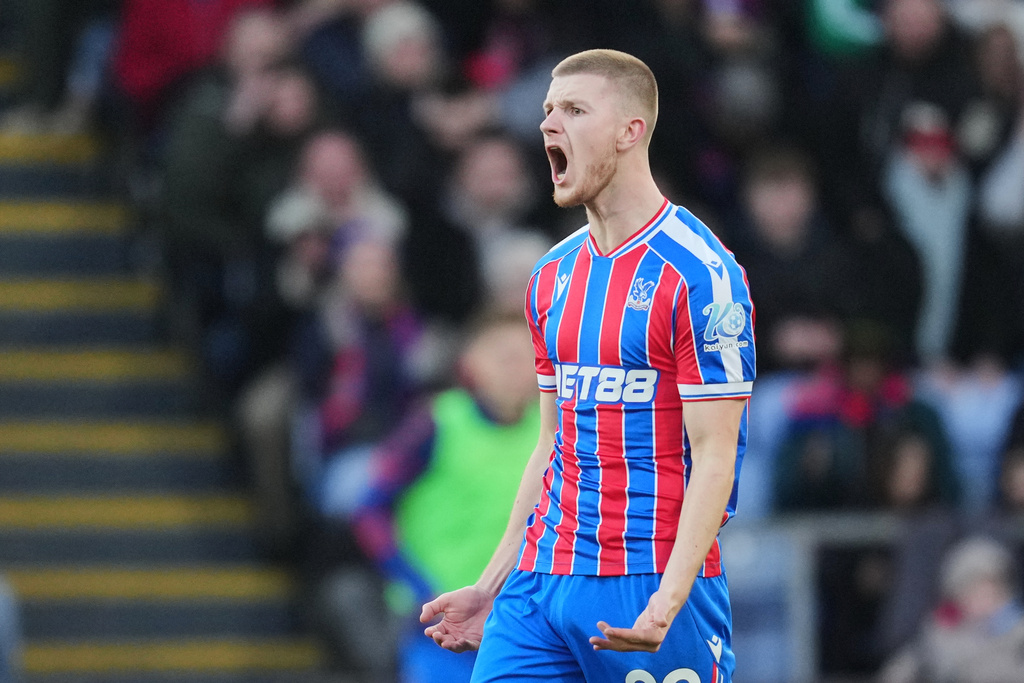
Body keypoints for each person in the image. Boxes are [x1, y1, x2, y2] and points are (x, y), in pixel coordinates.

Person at [419, 49, 756, 683]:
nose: (549, 125)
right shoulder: (550, 276)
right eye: (548, 111)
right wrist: (492, 582)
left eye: (574, 110)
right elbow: (552, 442)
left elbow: (717, 453)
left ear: (631, 132)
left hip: (647, 579)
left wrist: (669, 599)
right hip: (540, 583)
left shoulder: (700, 274)